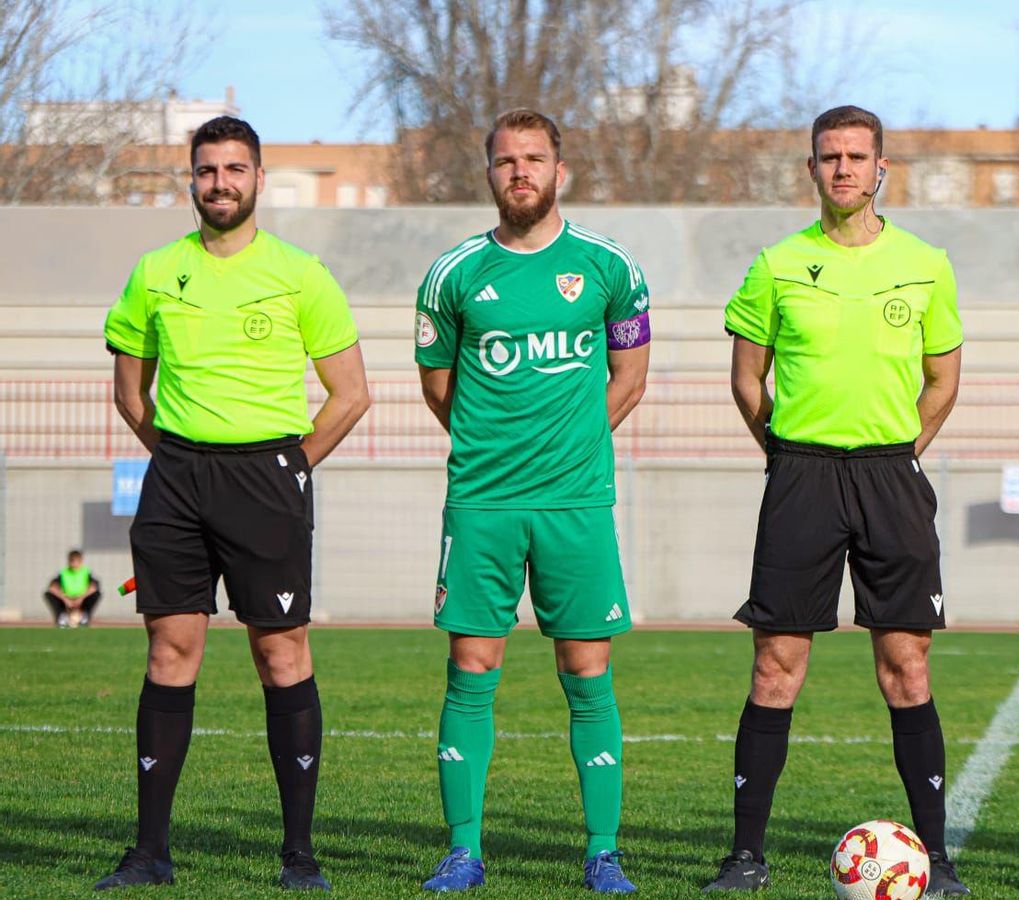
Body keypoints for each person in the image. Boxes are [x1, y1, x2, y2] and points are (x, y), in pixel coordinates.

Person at [94, 115, 370, 891]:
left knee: (280, 654)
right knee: (169, 652)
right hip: (177, 478)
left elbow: (351, 396)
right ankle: (149, 852)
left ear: (258, 178)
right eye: (207, 170)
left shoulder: (300, 273)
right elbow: (130, 392)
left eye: (235, 169)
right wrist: (181, 462)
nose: (220, 183)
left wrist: (288, 470)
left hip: (267, 478)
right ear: (191, 179)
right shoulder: (153, 272)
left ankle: (299, 854)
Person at [702, 105, 967, 895]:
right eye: (829, 157)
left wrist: (900, 456)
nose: (843, 168)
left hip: (890, 476)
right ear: (811, 170)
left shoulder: (926, 263)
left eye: (857, 156)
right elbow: (748, 377)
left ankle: (938, 857)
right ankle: (746, 854)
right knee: (776, 664)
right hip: (802, 478)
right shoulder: (777, 264)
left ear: (882, 168)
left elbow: (944, 379)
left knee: (906, 665)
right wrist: (783, 455)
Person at [413, 109, 651, 894]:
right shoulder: (452, 275)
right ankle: (463, 850)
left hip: (576, 503)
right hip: (481, 503)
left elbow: (630, 378)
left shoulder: (609, 267)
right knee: (470, 667)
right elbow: (440, 389)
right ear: (488, 173)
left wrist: (574, 442)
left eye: (534, 158)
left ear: (561, 169)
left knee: (587, 672)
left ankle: (603, 851)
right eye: (506, 160)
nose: (520, 172)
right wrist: (496, 448)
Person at [45, 550, 101, 627]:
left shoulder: (86, 572)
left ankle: (84, 616)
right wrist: (66, 599)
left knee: (96, 594)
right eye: (72, 561)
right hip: (66, 598)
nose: (74, 563)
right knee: (48, 594)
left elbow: (94, 587)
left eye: (76, 561)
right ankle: (62, 616)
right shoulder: (64, 573)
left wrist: (81, 598)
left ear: (81, 561)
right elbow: (52, 587)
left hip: (81, 598)